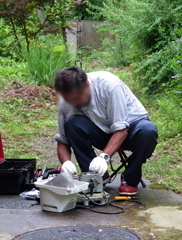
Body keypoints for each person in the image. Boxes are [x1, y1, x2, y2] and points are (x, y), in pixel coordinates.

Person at [54, 66, 158, 195]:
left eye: (77, 98)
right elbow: (62, 140)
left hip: (130, 130)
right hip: (102, 132)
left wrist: (104, 157)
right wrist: (66, 163)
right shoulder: (66, 100)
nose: (73, 103)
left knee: (148, 131)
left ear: (87, 85)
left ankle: (131, 177)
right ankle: (95, 176)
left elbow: (121, 129)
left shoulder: (109, 85)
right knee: (71, 123)